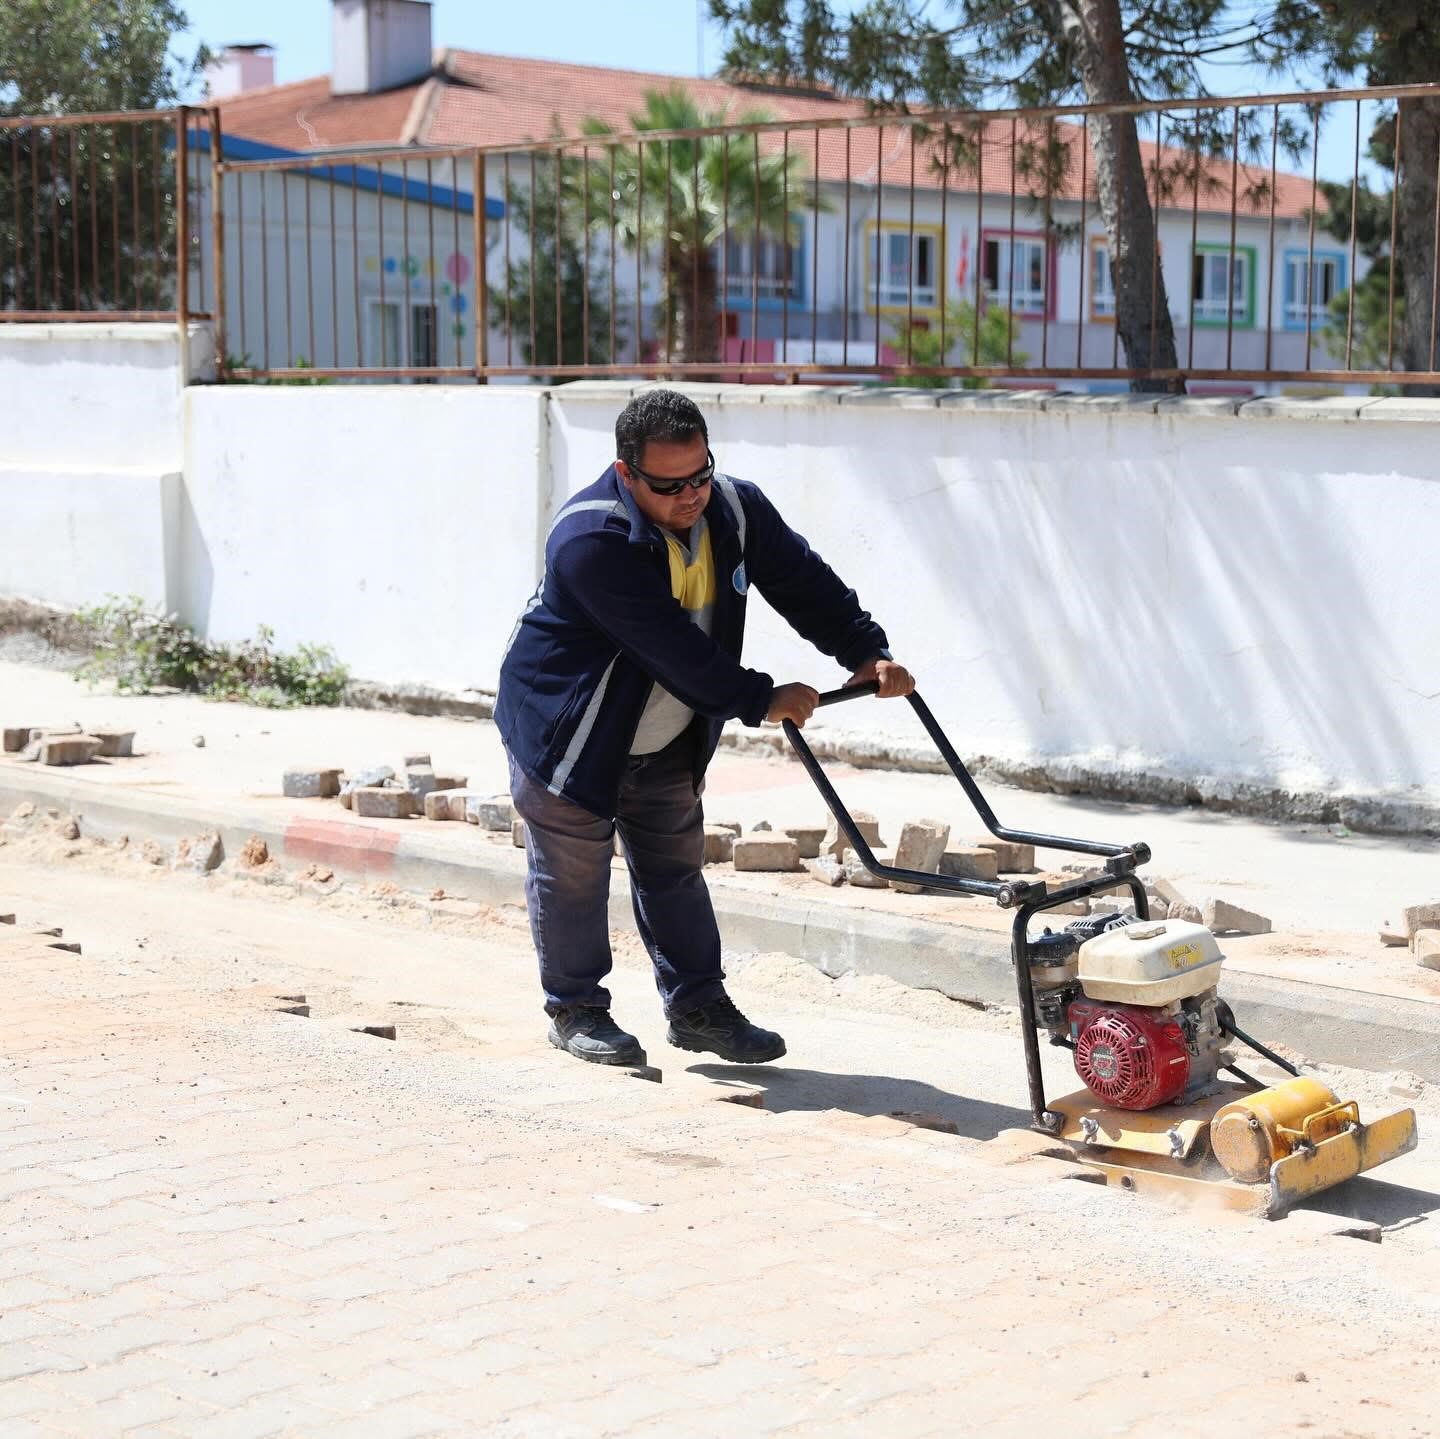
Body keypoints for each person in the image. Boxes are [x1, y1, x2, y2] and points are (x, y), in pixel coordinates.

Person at [496, 388, 914, 1068]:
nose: (691, 494)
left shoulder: (733, 508)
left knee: (674, 866)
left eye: (701, 473)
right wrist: (761, 696)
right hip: (567, 734)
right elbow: (671, 649)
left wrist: (867, 651)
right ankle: (576, 1007)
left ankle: (697, 1007)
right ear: (627, 473)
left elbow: (804, 581)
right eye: (669, 485)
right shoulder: (590, 540)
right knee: (573, 874)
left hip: (665, 730)